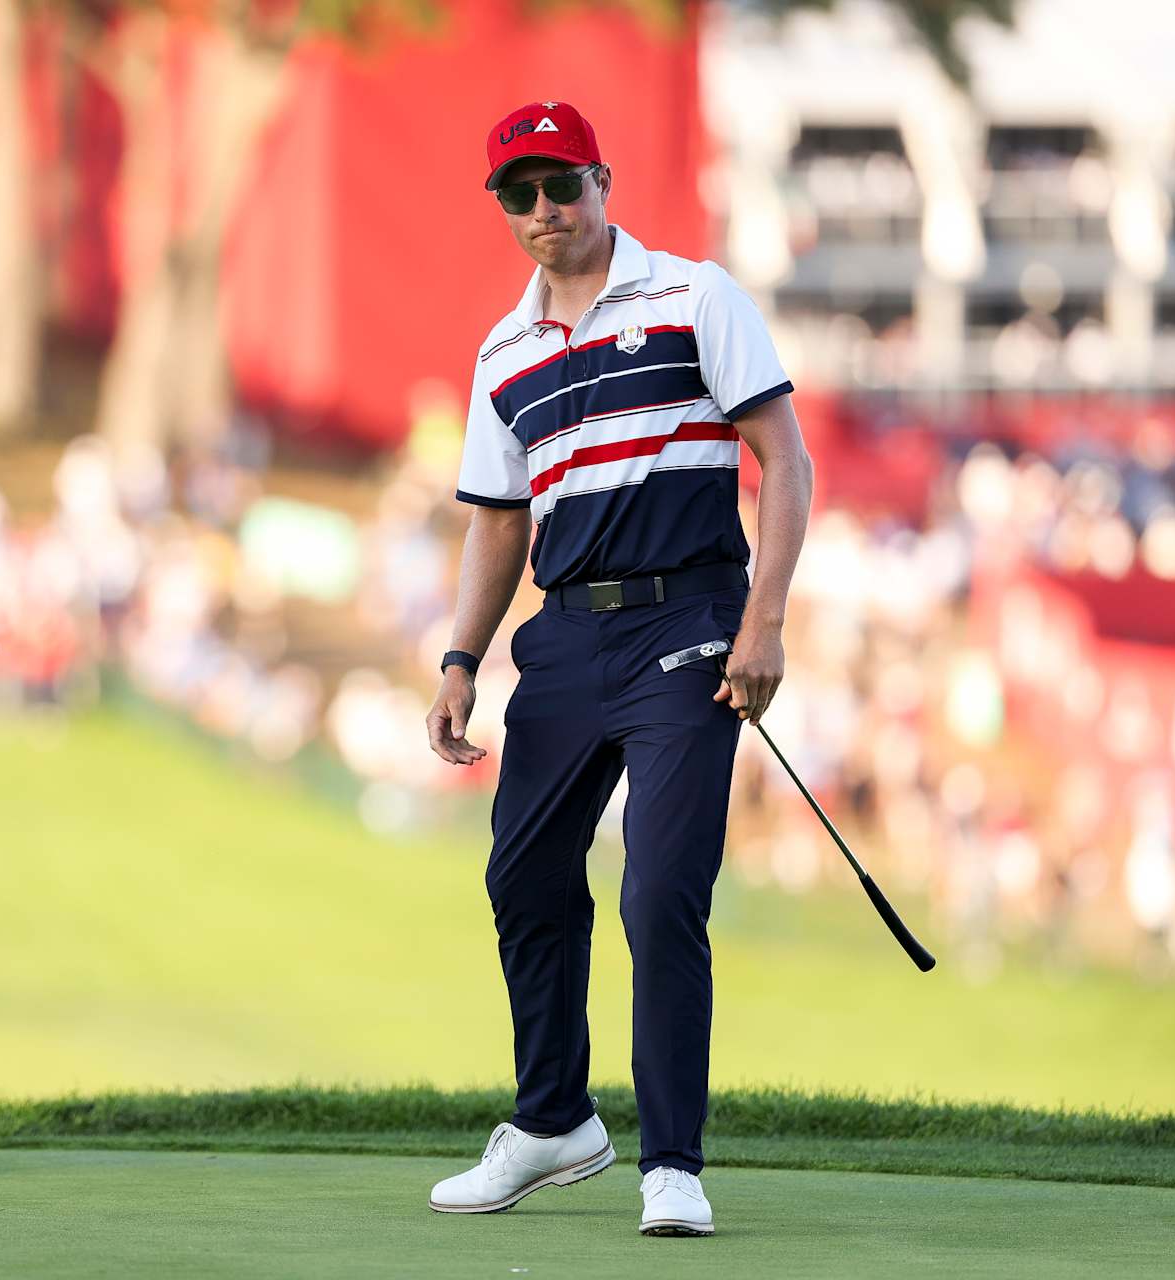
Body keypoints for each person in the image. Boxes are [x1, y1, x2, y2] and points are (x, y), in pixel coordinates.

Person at [422, 100, 813, 1236]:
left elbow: (784, 461)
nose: (544, 211)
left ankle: (671, 1161)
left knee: (659, 890)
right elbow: (497, 525)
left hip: (689, 622)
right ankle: (552, 1120)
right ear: (502, 207)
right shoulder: (503, 351)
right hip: (566, 635)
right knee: (522, 876)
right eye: (519, 194)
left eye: (562, 186)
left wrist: (766, 620)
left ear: (603, 181)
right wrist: (458, 658)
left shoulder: (696, 294)